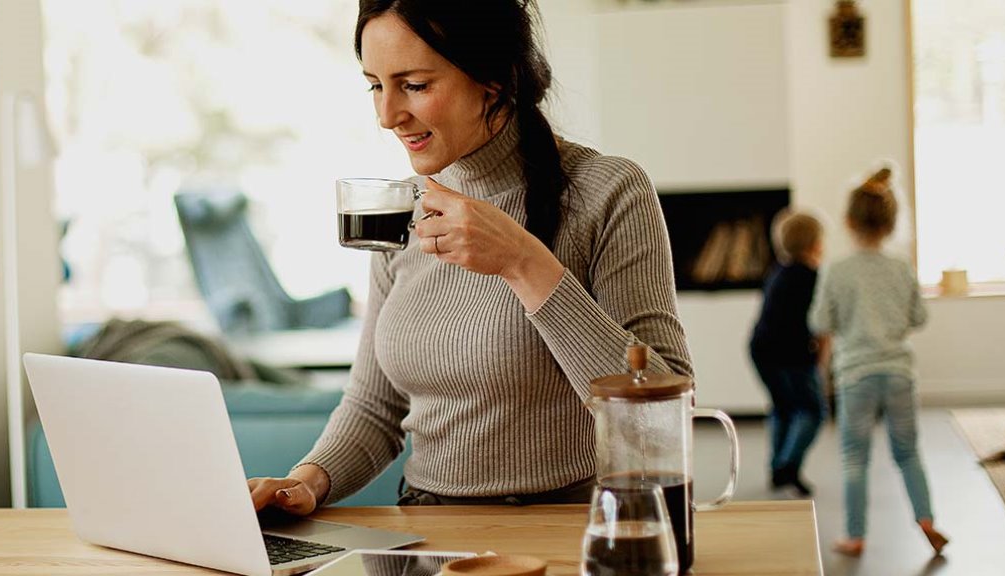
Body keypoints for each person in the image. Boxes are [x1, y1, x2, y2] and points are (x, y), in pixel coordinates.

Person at [247, 0, 691, 515]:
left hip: (566, 527)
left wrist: (524, 262)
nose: (387, 116)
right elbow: (373, 407)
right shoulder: (403, 206)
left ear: (494, 80)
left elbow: (661, 416)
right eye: (375, 85)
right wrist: (304, 482)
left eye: (413, 85)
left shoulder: (608, 192)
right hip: (427, 529)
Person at [809, 168, 949, 557]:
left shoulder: (837, 270)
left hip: (856, 375)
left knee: (855, 457)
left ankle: (855, 536)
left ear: (849, 221)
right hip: (900, 373)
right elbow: (919, 317)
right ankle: (927, 520)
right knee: (908, 452)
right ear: (891, 222)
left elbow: (820, 321)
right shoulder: (901, 267)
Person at [749, 209, 827, 497]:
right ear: (815, 244)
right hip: (791, 354)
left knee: (782, 407)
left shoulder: (778, 271)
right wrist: (821, 355)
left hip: (761, 349)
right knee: (812, 410)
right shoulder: (812, 276)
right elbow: (820, 322)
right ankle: (788, 465)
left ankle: (777, 468)